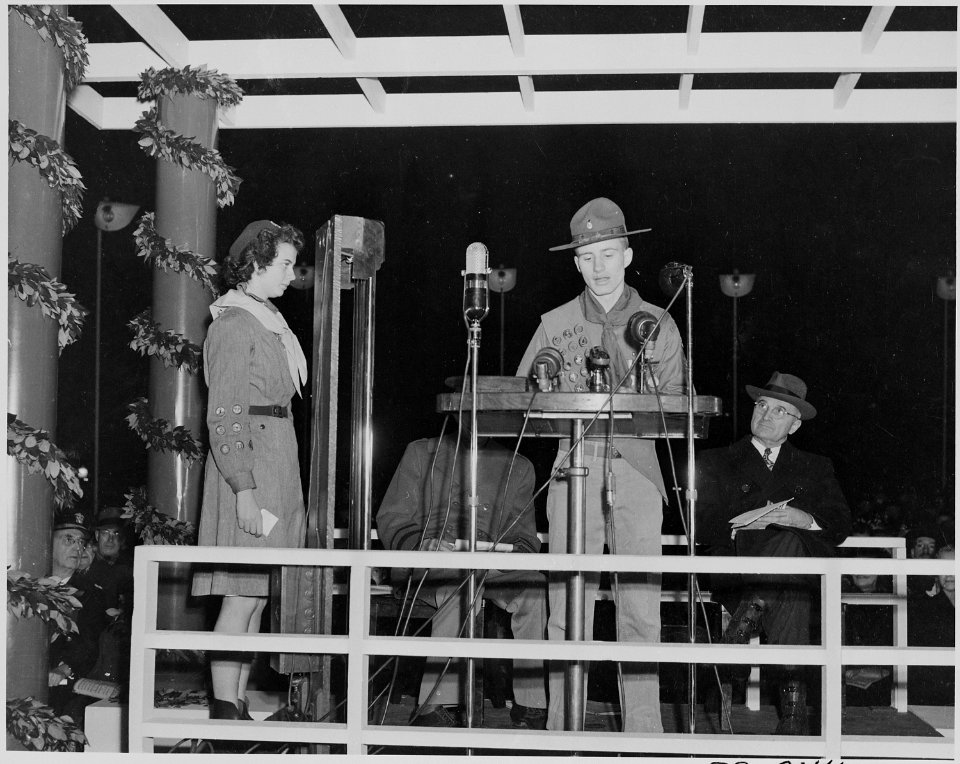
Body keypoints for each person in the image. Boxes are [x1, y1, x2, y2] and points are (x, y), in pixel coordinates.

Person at [515, 197, 687, 733]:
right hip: (574, 468)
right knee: (569, 603)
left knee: (641, 606)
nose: (598, 266)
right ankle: (563, 730)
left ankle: (644, 732)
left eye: (608, 254)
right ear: (576, 262)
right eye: (588, 256)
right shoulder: (553, 324)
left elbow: (676, 405)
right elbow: (523, 401)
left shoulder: (659, 323)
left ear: (627, 254)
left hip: (637, 472)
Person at [191, 220, 309, 720]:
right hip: (253, 471)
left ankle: (236, 703)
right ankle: (224, 710)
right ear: (255, 264)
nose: (291, 273)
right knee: (239, 599)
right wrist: (243, 488)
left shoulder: (266, 320)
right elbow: (224, 414)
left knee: (256, 598)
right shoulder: (234, 325)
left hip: (275, 462)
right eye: (282, 263)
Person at [696, 372, 852, 734]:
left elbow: (841, 524)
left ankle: (740, 630)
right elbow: (700, 524)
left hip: (790, 572)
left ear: (794, 425)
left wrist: (805, 518)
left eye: (779, 411)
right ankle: (794, 712)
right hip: (736, 566)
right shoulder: (717, 459)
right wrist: (742, 525)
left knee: (793, 543)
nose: (766, 415)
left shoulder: (816, 466)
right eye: (762, 405)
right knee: (791, 583)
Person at [376, 435, 548, 729]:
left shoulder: (518, 466)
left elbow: (526, 537)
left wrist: (508, 553)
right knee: (461, 589)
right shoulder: (420, 452)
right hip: (431, 564)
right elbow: (392, 517)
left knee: (534, 587)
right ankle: (433, 704)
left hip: (489, 566)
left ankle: (531, 703)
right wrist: (423, 544)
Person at [907, 546, 955, 707]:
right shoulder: (924, 608)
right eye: (944, 568)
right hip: (937, 692)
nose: (949, 575)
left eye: (955, 567)